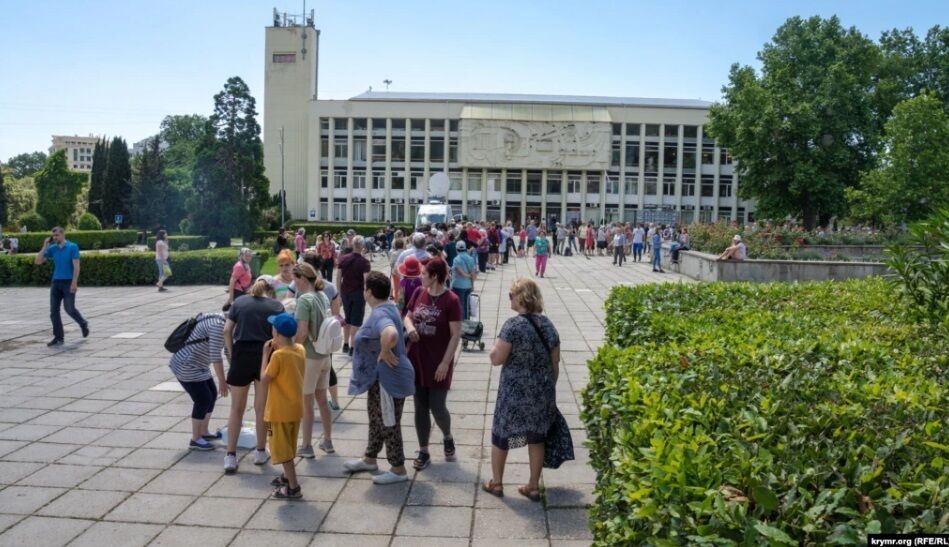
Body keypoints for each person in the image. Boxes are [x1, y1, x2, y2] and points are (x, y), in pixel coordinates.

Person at [483, 278, 561, 501]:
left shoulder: (512, 326)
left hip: (514, 393)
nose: (510, 298)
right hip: (541, 392)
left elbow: (497, 359)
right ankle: (533, 486)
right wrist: (549, 389)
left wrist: (492, 348)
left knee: (502, 435)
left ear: (522, 297)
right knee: (536, 438)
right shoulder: (548, 326)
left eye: (511, 295)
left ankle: (497, 483)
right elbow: (555, 363)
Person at [344, 272, 416, 485]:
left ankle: (398, 468)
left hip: (388, 379)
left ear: (369, 292)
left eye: (365, 288)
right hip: (381, 379)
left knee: (388, 421)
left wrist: (384, 351)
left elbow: (391, 334)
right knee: (377, 418)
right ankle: (370, 458)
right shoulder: (388, 307)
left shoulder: (379, 315)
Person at [403, 258, 462, 470]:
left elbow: (456, 335)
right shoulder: (419, 293)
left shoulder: (452, 300)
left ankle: (447, 436)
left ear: (435, 276)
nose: (421, 277)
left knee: (437, 407)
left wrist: (446, 363)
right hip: (417, 359)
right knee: (420, 406)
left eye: (424, 274)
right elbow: (407, 316)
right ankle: (424, 450)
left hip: (439, 361)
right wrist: (410, 328)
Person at [222, 278, 285, 474]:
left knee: (236, 409)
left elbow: (226, 331)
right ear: (270, 290)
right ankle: (259, 451)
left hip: (241, 355)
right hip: (264, 357)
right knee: (261, 409)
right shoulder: (276, 305)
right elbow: (280, 336)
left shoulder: (239, 302)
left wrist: (232, 356)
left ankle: (230, 456)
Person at [260, 312, 306, 499]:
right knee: (290, 444)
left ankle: (293, 487)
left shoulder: (277, 356)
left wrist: (265, 355)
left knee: (282, 450)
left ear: (277, 333)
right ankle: (287, 477)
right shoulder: (300, 349)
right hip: (295, 408)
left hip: (278, 411)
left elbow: (264, 379)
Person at [168, 312, 228, 451]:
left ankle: (204, 432)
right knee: (203, 399)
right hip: (186, 364)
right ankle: (195, 439)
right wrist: (222, 381)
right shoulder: (218, 327)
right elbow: (215, 356)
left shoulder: (220, 319)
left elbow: (227, 350)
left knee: (212, 394)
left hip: (199, 364)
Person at [292, 263, 334, 458]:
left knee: (306, 403)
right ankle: (327, 441)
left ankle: (307, 446)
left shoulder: (304, 300)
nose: (294, 283)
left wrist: (291, 348)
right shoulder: (323, 296)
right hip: (325, 355)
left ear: (302, 278)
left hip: (310, 356)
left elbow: (301, 332)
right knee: (322, 401)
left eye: (295, 279)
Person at [34, 226, 89, 347]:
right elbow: (37, 261)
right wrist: (44, 246)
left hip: (68, 282)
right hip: (56, 282)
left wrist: (74, 282)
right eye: (53, 236)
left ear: (63, 234)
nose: (54, 238)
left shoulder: (72, 247)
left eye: (57, 235)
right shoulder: (52, 249)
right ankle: (58, 337)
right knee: (53, 311)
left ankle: (83, 323)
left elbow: (76, 266)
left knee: (69, 309)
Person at [337, 236, 371, 357]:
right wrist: (367, 293)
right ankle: (353, 347)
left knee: (347, 319)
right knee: (356, 322)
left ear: (352, 244)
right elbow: (366, 280)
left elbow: (338, 277)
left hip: (345, 292)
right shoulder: (364, 262)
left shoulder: (344, 259)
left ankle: (345, 343)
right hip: (358, 294)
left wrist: (339, 293)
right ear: (362, 246)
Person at [450, 241, 476, 320]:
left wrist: (467, 276)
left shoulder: (456, 259)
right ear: (465, 248)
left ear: (456, 249)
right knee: (467, 305)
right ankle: (467, 321)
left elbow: (461, 273)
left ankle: (462, 323)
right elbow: (473, 274)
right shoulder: (471, 258)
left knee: (460, 306)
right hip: (468, 285)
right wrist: (472, 284)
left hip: (458, 285)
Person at [389, 238, 406, 302]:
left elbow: (391, 264)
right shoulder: (405, 253)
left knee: (396, 287)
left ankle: (396, 301)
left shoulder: (394, 253)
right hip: (403, 273)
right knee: (403, 287)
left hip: (395, 272)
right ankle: (403, 300)